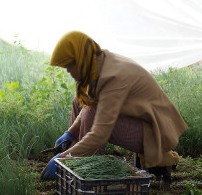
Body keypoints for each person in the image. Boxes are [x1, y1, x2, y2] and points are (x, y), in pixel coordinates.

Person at [40, 31, 187, 182]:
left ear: (81, 60)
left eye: (70, 65)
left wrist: (63, 158)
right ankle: (76, 162)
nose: (69, 71)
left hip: (155, 132)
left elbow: (99, 134)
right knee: (79, 102)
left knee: (93, 114)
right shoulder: (98, 62)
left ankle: (88, 174)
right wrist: (71, 132)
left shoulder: (112, 77)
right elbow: (89, 102)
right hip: (138, 120)